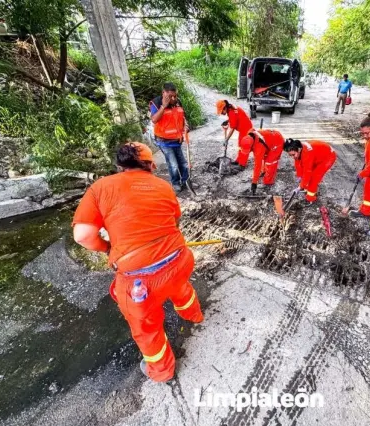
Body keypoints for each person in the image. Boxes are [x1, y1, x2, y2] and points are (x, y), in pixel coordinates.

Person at [72, 142, 204, 383]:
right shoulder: (163, 185)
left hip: (141, 281)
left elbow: (82, 236)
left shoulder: (101, 187)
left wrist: (108, 248)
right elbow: (174, 220)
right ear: (151, 165)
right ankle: (194, 315)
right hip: (180, 260)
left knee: (147, 328)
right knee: (181, 287)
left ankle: (163, 372)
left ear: (119, 165)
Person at [150, 82, 189, 192]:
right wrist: (163, 106)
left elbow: (182, 116)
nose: (173, 98)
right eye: (170, 96)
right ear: (163, 93)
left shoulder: (178, 102)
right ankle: (175, 183)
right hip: (164, 141)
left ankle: (186, 180)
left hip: (177, 139)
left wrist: (185, 125)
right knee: (173, 164)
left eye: (175, 95)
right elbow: (154, 119)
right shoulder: (156, 103)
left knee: (184, 164)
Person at [284, 139, 337, 205]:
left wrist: (300, 186)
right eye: (290, 155)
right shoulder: (299, 151)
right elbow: (298, 164)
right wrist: (300, 176)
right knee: (307, 177)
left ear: (298, 149)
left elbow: (307, 172)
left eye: (293, 154)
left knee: (314, 177)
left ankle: (310, 199)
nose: (292, 157)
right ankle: (306, 188)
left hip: (328, 157)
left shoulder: (307, 153)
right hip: (317, 156)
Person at [238, 129, 285, 194]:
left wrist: (254, 182)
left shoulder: (258, 147)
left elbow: (258, 165)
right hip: (269, 140)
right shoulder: (249, 136)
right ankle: (264, 171)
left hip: (277, 142)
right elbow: (252, 129)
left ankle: (269, 182)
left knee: (270, 162)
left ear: (252, 146)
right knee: (264, 156)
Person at [216, 100, 253, 166]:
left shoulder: (231, 112)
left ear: (225, 108)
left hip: (246, 129)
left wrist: (226, 139)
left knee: (244, 146)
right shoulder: (231, 108)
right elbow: (236, 116)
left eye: (221, 111)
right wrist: (228, 121)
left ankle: (242, 164)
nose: (221, 113)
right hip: (244, 128)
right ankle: (238, 160)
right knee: (240, 145)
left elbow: (232, 128)